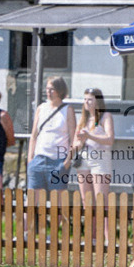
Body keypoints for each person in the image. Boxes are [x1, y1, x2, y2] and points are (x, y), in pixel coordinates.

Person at [72, 87, 115, 243]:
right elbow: (74, 144)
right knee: (86, 200)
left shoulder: (105, 117)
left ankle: (107, 237)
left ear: (98, 101)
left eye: (90, 99)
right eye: (85, 99)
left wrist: (90, 135)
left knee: (101, 200)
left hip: (100, 161)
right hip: (84, 159)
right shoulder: (83, 119)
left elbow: (110, 139)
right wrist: (80, 141)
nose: (86, 102)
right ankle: (91, 237)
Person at [26, 77, 76, 192]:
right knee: (33, 201)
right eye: (47, 89)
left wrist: (67, 162)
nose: (48, 92)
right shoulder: (41, 108)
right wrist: (30, 159)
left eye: (52, 89)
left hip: (58, 161)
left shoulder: (67, 110)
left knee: (57, 204)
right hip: (38, 159)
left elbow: (73, 139)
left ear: (60, 90)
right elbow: (34, 135)